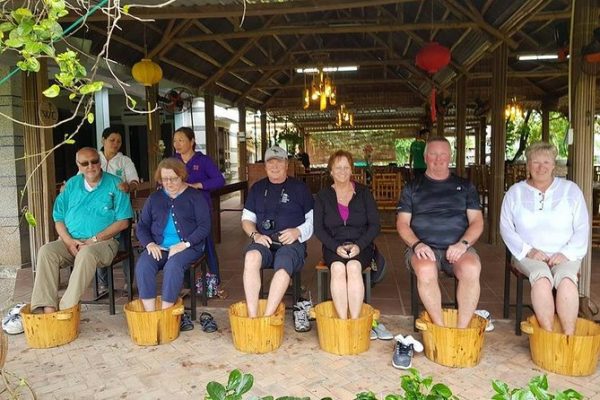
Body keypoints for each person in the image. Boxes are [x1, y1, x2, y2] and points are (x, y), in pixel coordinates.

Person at [396, 136, 483, 368]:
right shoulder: (412, 187)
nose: (438, 159)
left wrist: (463, 244)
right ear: (425, 158)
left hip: (458, 247)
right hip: (423, 248)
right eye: (432, 154)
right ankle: (441, 329)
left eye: (442, 154)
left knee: (472, 268)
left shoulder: (465, 186)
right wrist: (417, 244)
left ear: (450, 157)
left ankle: (462, 330)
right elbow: (403, 224)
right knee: (425, 271)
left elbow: (477, 222)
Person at [30, 148, 133, 315]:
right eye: (85, 163)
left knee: (86, 254)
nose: (90, 166)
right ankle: (47, 307)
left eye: (94, 161)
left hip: (103, 243)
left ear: (100, 162)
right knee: (46, 251)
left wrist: (93, 240)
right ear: (78, 165)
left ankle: (65, 309)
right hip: (72, 241)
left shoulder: (116, 184)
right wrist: (69, 242)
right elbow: (59, 218)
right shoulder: (72, 184)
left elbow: (123, 222)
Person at [500, 142, 588, 336]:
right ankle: (547, 335)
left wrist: (565, 253)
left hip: (565, 254)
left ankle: (568, 336)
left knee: (566, 280)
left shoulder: (571, 190)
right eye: (535, 162)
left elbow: (582, 227)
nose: (541, 167)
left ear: (554, 165)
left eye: (546, 162)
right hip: (528, 254)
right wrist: (528, 250)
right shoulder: (515, 192)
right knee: (542, 279)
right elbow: (506, 228)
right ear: (528, 165)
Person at [241, 145, 314, 331]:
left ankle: (266, 318)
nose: (274, 166)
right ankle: (252, 315)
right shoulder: (257, 188)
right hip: (264, 241)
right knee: (251, 257)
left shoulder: (300, 188)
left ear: (286, 164)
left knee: (282, 267)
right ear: (265, 166)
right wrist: (255, 235)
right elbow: (247, 220)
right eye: (270, 162)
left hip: (290, 244)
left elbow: (312, 221)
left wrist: (297, 232)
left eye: (279, 161)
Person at [135, 158, 213, 332]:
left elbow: (204, 226)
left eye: (173, 178)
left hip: (189, 247)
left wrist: (184, 244)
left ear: (182, 176)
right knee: (143, 265)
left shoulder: (195, 196)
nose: (169, 183)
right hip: (160, 247)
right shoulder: (155, 198)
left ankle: (165, 316)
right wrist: (149, 244)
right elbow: (142, 226)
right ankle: (150, 316)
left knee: (173, 265)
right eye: (165, 179)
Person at [173, 127, 226, 297]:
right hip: (180, 211)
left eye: (181, 140)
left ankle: (216, 283)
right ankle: (187, 284)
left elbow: (219, 180)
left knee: (207, 245)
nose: (177, 144)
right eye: (175, 140)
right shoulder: (173, 161)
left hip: (201, 210)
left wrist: (197, 185)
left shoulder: (203, 160)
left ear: (192, 141)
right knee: (182, 245)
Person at [96, 126, 140, 292]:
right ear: (103, 140)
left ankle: (129, 283)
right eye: (112, 140)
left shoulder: (124, 161)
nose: (115, 144)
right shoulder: (95, 159)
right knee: (98, 244)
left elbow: (135, 182)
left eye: (118, 141)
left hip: (120, 211)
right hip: (99, 212)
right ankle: (103, 284)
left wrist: (129, 186)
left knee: (125, 246)